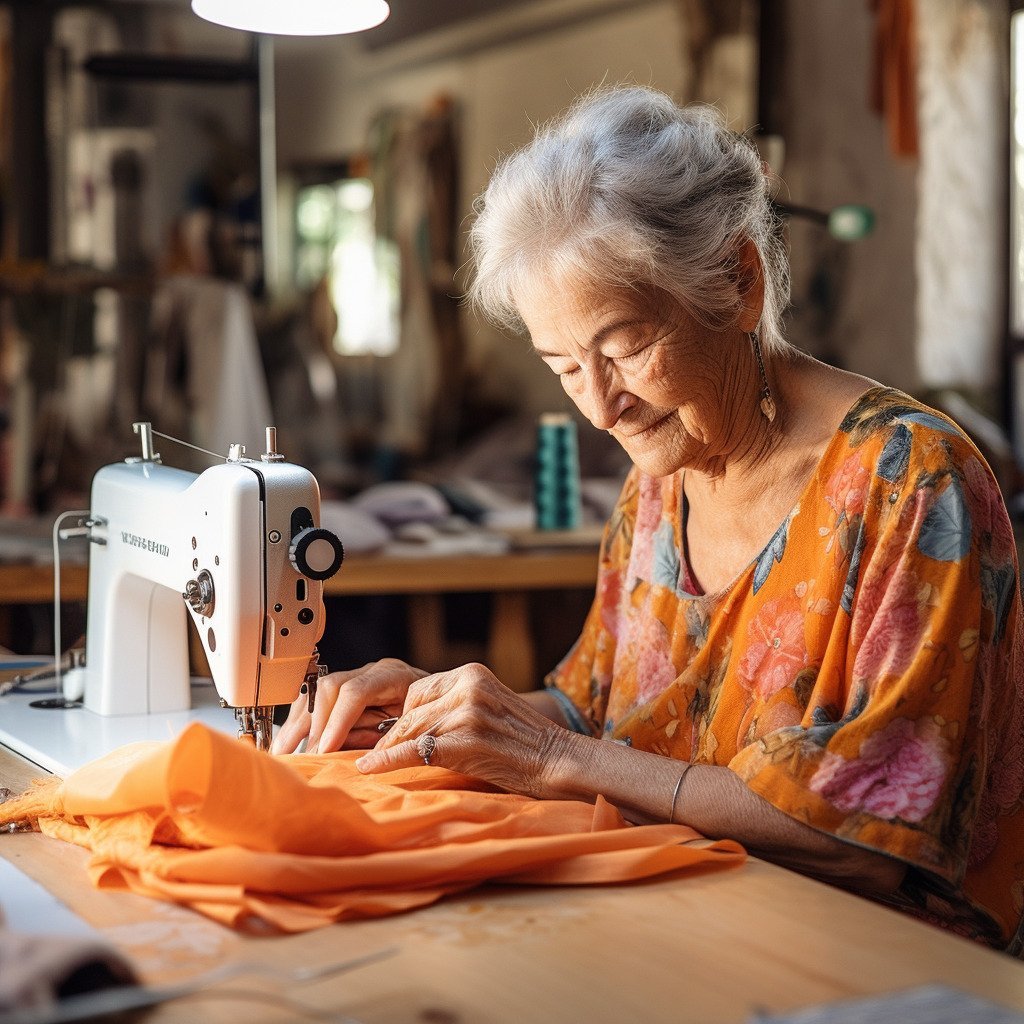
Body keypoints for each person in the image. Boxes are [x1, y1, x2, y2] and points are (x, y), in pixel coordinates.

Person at [273, 86, 1024, 952]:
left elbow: (862, 842)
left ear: (739, 284)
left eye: (624, 349)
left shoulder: (912, 484)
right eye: (563, 367)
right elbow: (593, 712)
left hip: (877, 962)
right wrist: (438, 716)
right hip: (687, 913)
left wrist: (552, 759)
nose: (601, 407)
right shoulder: (658, 483)